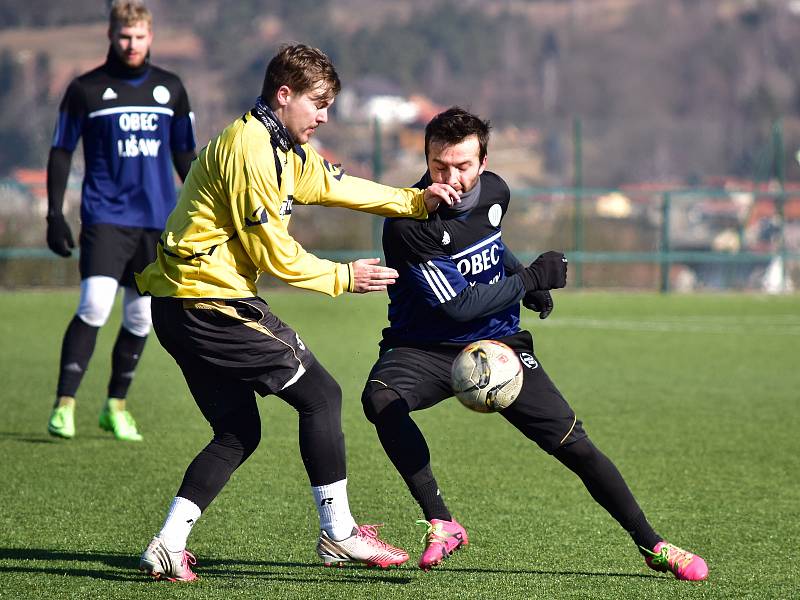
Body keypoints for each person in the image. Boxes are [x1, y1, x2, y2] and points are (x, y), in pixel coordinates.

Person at [134, 44, 459, 582]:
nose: (324, 115)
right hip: (209, 304)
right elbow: (275, 256)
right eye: (317, 103)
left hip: (182, 305)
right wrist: (343, 277)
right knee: (322, 394)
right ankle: (339, 533)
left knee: (237, 432)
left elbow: (334, 185)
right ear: (284, 96)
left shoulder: (281, 146)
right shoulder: (251, 151)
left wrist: (412, 200)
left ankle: (168, 543)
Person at [360, 107, 709, 580]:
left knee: (574, 445)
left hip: (499, 345)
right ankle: (442, 521)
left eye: (463, 166)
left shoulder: (497, 192)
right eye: (439, 166)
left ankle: (654, 544)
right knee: (381, 399)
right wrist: (528, 280)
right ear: (426, 159)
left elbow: (492, 244)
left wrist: (520, 274)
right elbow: (457, 307)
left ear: (483, 163)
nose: (451, 178)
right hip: (423, 346)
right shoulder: (406, 224)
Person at [45, 0, 196, 442]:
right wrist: (54, 214)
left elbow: (185, 155)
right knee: (94, 305)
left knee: (141, 318)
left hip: (156, 220)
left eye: (139, 37)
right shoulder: (85, 89)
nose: (132, 44)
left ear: (151, 37)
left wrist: (211, 207)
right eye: (124, 37)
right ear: (111, 36)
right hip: (106, 216)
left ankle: (116, 406)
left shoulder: (172, 88)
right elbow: (60, 151)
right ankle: (64, 405)